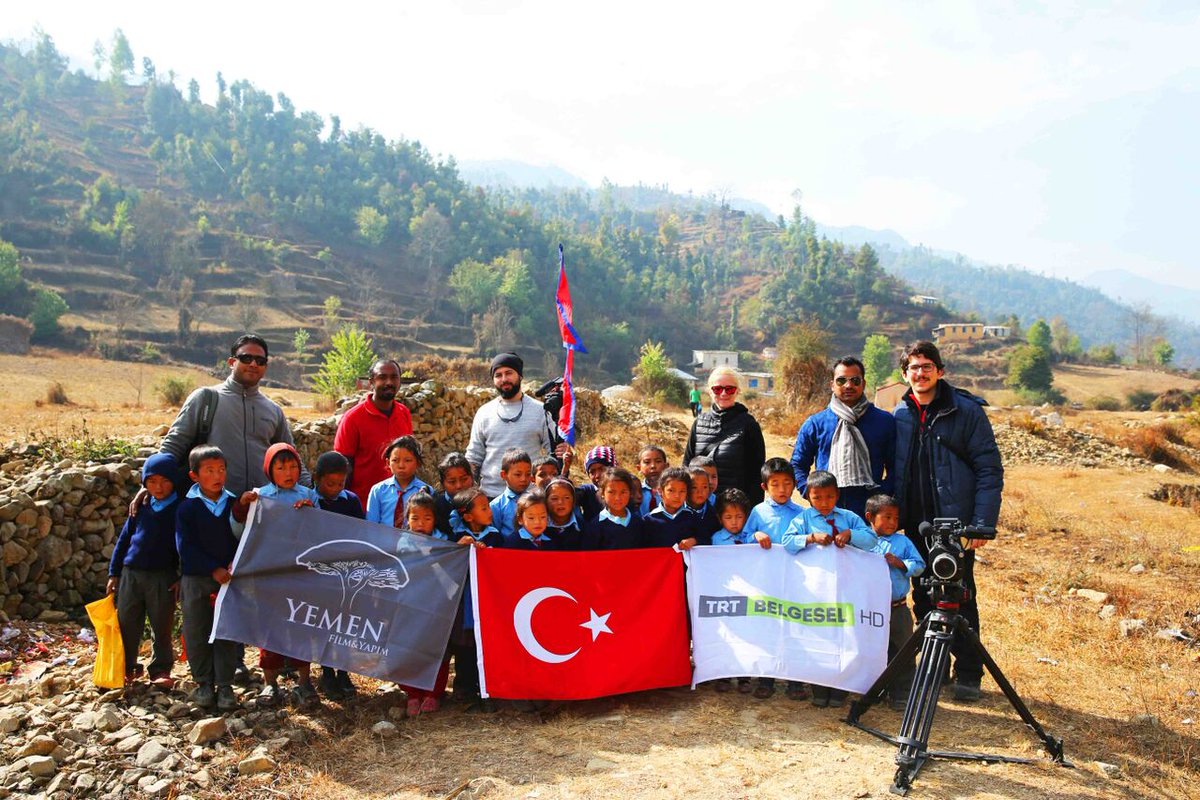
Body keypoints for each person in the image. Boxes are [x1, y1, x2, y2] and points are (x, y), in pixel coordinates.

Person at [893, 340, 1003, 702]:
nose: (920, 374)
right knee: (923, 595)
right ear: (904, 374)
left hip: (955, 525)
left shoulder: (966, 411)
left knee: (959, 595)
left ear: (940, 370)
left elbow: (989, 468)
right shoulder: (902, 413)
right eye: (913, 368)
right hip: (914, 523)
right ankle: (934, 665)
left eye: (927, 366)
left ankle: (968, 672)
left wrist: (981, 523)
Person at [158, 334, 310, 499]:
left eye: (260, 361)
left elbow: (291, 457)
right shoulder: (205, 399)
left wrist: (313, 492)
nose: (253, 364)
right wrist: (151, 481)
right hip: (213, 507)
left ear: (265, 367)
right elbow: (175, 443)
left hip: (261, 507)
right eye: (246, 358)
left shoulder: (273, 410)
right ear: (231, 362)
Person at [781, 470, 878, 708]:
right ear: (808, 497)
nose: (824, 503)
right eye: (817, 498)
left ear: (837, 495)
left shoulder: (848, 517)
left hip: (846, 589)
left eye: (829, 497)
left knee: (844, 636)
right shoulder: (803, 519)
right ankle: (819, 687)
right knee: (820, 635)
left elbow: (872, 539)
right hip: (816, 591)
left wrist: (850, 534)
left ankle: (840, 689)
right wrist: (810, 537)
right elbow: (786, 542)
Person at [234, 444, 320, 708]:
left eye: (293, 466)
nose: (288, 472)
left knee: (300, 624)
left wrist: (310, 512)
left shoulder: (308, 495)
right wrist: (242, 506)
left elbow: (319, 530)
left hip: (299, 572)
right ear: (269, 470)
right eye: (280, 467)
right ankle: (270, 684)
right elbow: (240, 528)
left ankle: (304, 681)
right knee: (269, 628)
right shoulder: (260, 496)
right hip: (269, 573)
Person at [107, 453, 181, 688]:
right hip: (131, 574)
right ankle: (127, 667)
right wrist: (114, 572)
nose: (158, 487)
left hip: (163, 576)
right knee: (127, 622)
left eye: (165, 481)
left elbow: (187, 546)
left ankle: (160, 669)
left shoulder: (180, 508)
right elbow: (124, 540)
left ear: (174, 481)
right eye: (152, 482)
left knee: (161, 624)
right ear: (144, 483)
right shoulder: (141, 507)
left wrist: (181, 576)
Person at [175, 445, 240, 711]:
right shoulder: (187, 508)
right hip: (197, 579)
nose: (217, 476)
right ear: (194, 476)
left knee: (225, 631)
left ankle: (225, 685)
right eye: (210, 471)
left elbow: (242, 538)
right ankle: (203, 682)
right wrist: (212, 568)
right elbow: (185, 546)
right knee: (197, 630)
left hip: (229, 579)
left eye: (221, 469)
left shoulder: (233, 504)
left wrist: (234, 565)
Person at [790, 356, 896, 519]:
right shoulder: (816, 423)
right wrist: (811, 493)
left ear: (864, 384)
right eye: (841, 381)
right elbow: (798, 464)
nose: (848, 385)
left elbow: (896, 466)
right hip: (826, 512)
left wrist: (882, 494)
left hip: (870, 513)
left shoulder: (884, 421)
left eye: (855, 380)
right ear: (832, 385)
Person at [466, 353, 566, 498]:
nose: (504, 379)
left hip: (530, 499)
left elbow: (553, 452)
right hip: (490, 496)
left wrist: (563, 452)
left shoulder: (541, 411)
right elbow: (474, 457)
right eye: (498, 375)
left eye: (509, 373)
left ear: (520, 376)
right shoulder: (484, 413)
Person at [308, 451, 363, 701]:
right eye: (330, 483)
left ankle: (343, 670)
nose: (335, 489)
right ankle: (326, 671)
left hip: (346, 574)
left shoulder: (350, 501)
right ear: (316, 478)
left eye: (340, 483)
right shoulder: (308, 500)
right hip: (319, 575)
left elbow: (360, 534)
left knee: (345, 624)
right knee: (324, 624)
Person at [864, 493, 926, 710]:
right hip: (869, 609)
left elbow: (919, 566)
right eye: (887, 517)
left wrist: (901, 563)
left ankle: (901, 692)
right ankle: (873, 690)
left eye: (896, 518)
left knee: (903, 649)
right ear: (870, 516)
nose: (893, 523)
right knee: (871, 650)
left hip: (897, 607)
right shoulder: (863, 541)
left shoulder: (903, 541)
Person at [333, 359, 414, 510]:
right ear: (371, 382)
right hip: (364, 508)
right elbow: (343, 466)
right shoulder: (353, 418)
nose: (389, 382)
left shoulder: (404, 413)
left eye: (394, 377)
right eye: (382, 377)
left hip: (400, 507)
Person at [398, 492, 451, 716]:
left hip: (436, 609)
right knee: (410, 649)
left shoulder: (444, 543)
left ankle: (432, 693)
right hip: (410, 607)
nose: (421, 524)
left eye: (427, 518)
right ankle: (412, 693)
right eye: (415, 518)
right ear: (407, 519)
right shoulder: (401, 542)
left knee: (436, 651)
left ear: (435, 520)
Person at [683, 366, 766, 505]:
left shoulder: (748, 425)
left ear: (737, 391)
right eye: (717, 389)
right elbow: (686, 464)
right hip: (701, 507)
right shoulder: (699, 423)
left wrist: (750, 513)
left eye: (729, 389)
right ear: (709, 391)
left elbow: (757, 475)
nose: (723, 393)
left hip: (734, 510)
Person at [710, 487, 755, 694]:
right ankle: (724, 674)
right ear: (720, 518)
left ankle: (744, 675)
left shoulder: (752, 538)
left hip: (748, 595)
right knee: (726, 633)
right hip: (724, 595)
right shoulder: (716, 539)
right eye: (728, 517)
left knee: (746, 632)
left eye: (739, 516)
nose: (734, 521)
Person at [365, 436, 433, 526]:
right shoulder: (378, 490)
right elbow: (371, 525)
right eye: (395, 460)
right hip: (382, 539)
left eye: (408, 460)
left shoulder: (426, 491)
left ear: (418, 463)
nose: (401, 465)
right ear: (388, 463)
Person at [743, 458, 804, 548]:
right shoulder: (758, 511)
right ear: (765, 487)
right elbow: (744, 538)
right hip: (767, 561)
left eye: (787, 483)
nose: (782, 490)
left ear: (794, 484)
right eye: (775, 485)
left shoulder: (801, 513)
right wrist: (755, 535)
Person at [581, 468, 644, 550]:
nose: (617, 498)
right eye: (611, 492)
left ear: (630, 493)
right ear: (602, 493)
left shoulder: (639, 523)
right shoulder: (594, 527)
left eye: (623, 492)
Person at [642, 466, 701, 549]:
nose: (677, 496)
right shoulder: (649, 520)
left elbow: (705, 539)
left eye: (682, 491)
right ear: (660, 491)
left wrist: (694, 540)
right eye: (671, 490)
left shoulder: (693, 517)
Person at [489, 448, 532, 538]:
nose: (523, 479)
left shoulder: (535, 501)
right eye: (518, 474)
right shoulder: (496, 506)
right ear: (504, 475)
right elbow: (493, 535)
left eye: (528, 474)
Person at [434, 452, 474, 539]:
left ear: (472, 477)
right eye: (452, 481)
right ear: (443, 483)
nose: (459, 486)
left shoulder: (481, 504)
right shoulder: (435, 508)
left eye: (464, 479)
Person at [544, 477, 584, 550]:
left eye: (566, 498)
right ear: (546, 501)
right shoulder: (539, 527)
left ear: (573, 500)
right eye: (554, 498)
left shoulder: (584, 528)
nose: (561, 502)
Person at [634, 445, 668, 517]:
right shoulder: (635, 492)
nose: (653, 466)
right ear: (638, 467)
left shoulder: (674, 490)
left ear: (666, 466)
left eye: (658, 461)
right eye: (647, 462)